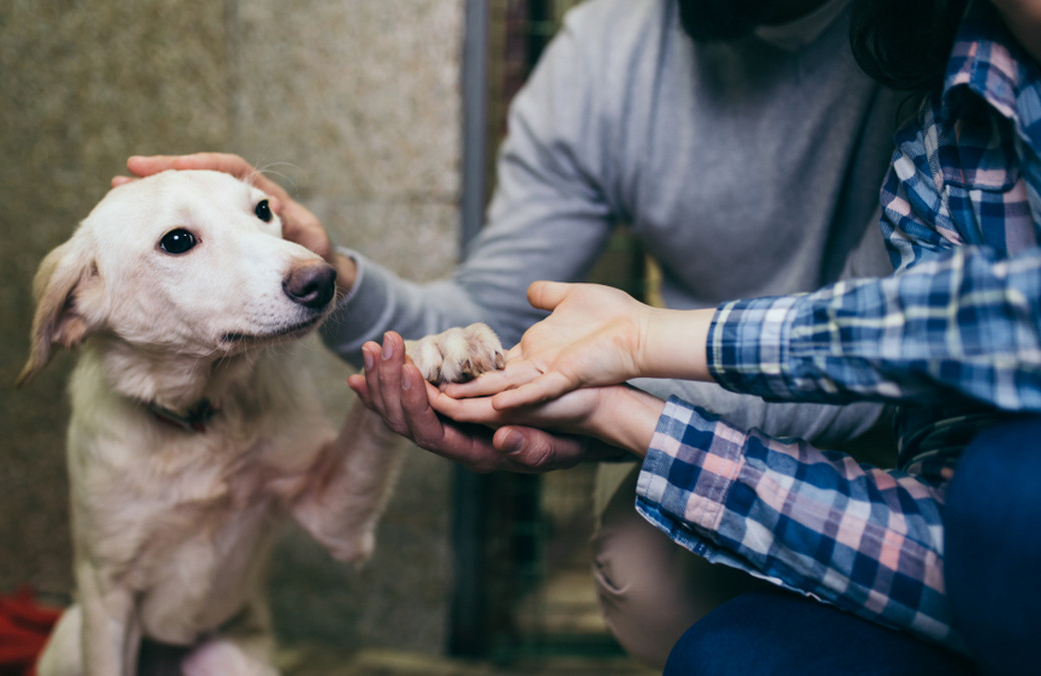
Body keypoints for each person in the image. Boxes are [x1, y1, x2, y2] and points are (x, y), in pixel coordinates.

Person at [119, 0, 909, 666]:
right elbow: (491, 316)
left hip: (917, 405)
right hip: (706, 396)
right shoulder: (607, 50)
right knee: (645, 580)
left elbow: (903, 342)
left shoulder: (927, 37)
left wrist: (617, 406)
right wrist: (335, 280)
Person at [420, 0, 1041, 672]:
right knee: (720, 654)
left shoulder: (898, 84)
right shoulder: (949, 126)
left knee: (1007, 489)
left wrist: (646, 342)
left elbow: (966, 325)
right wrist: (616, 412)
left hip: (873, 421)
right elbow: (955, 548)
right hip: (867, 450)